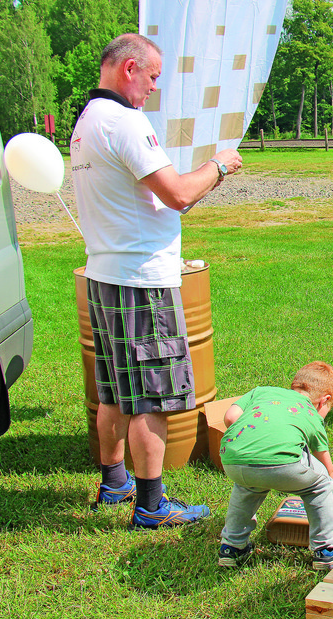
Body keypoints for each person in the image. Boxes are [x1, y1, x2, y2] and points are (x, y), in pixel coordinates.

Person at [74, 33, 243, 527]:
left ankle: (115, 484)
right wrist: (219, 165)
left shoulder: (86, 122)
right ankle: (150, 504)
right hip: (141, 280)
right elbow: (175, 193)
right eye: (150, 77)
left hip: (105, 275)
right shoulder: (125, 121)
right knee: (151, 394)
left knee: (114, 391)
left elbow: (162, 199)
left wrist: (194, 188)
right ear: (128, 69)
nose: (152, 89)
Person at [217, 362, 333, 569]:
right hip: (284, 464)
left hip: (234, 461)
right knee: (321, 483)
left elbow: (230, 417)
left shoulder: (262, 392)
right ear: (325, 400)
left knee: (248, 486)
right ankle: (326, 550)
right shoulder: (311, 414)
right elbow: (328, 469)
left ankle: (232, 548)